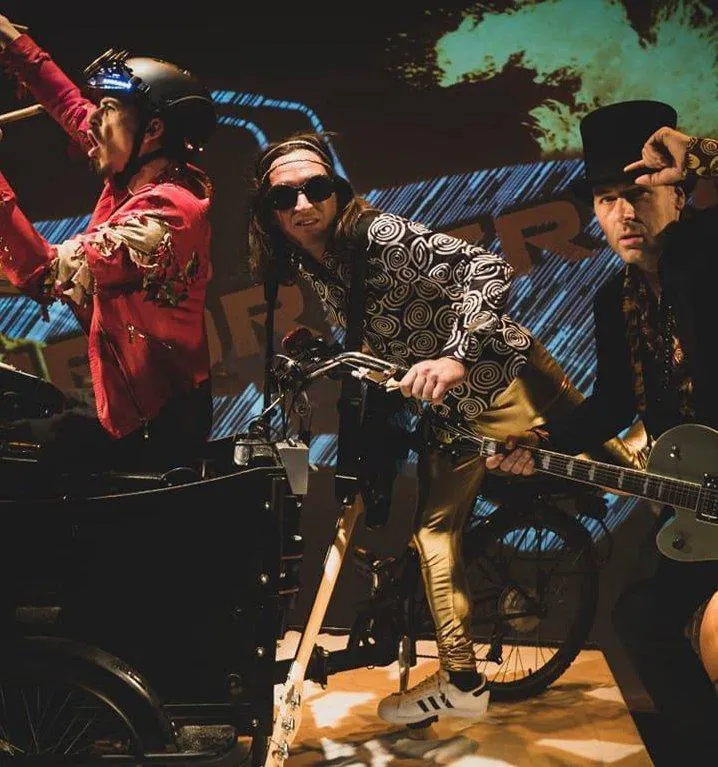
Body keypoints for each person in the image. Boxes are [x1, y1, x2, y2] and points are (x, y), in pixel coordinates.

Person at [247, 131, 641, 726]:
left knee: (449, 526)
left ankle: (461, 682)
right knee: (592, 465)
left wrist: (455, 356)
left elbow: (488, 269)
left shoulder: (378, 235)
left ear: (337, 191)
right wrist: (326, 348)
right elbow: (384, 319)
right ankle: (460, 673)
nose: (302, 205)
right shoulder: (312, 254)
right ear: (268, 211)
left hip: (496, 378)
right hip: (456, 401)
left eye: (315, 188)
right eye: (285, 197)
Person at [485, 100, 718, 762]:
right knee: (641, 618)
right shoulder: (615, 299)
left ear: (677, 192)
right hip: (703, 501)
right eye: (607, 198)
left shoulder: (709, 253)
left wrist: (703, 153)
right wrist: (541, 444)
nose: (623, 213)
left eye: (638, 192)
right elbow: (614, 403)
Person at [0, 17, 217, 471]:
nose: (92, 118)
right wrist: (16, 45)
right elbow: (71, 108)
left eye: (108, 108)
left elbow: (45, 273)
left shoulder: (168, 214)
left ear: (152, 130)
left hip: (155, 429)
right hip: (131, 411)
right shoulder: (138, 170)